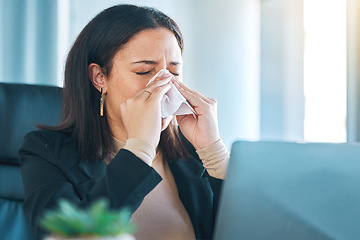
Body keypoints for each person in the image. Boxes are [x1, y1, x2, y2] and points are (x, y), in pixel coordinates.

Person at [19, 4, 229, 240]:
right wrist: (139, 150)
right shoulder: (45, 152)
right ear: (100, 77)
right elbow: (65, 236)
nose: (165, 87)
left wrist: (216, 155)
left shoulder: (192, 151)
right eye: (144, 72)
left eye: (174, 74)